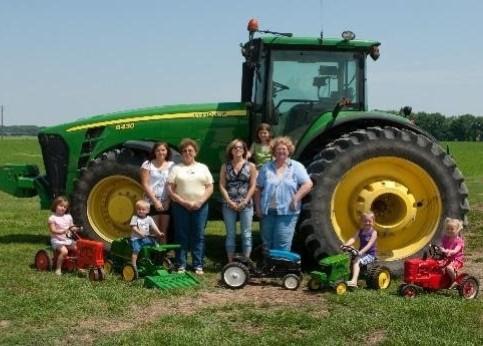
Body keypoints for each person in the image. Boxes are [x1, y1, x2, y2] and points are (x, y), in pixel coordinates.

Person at [254, 136, 313, 251]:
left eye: (284, 149)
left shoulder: (296, 167)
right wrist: (258, 207)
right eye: (278, 149)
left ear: (289, 151)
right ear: (274, 151)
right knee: (267, 243)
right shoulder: (266, 167)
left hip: (287, 212)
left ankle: (280, 268)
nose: (281, 151)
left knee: (282, 243)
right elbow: (258, 188)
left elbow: (308, 184)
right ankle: (268, 267)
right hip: (267, 212)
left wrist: (296, 198)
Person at [167, 138, 214, 275]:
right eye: (184, 151)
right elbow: (170, 189)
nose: (187, 153)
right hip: (180, 206)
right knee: (181, 235)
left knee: (198, 235)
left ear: (195, 152)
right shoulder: (176, 168)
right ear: (181, 153)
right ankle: (181, 264)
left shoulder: (203, 168)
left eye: (190, 150)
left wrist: (199, 202)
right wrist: (183, 202)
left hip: (200, 206)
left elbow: (210, 187)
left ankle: (197, 265)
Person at [219, 139, 257, 262]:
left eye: (240, 147)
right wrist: (229, 201)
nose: (237, 149)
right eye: (235, 147)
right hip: (229, 204)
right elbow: (221, 185)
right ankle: (230, 262)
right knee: (230, 234)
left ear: (244, 150)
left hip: (246, 204)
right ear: (231, 150)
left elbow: (253, 186)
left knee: (246, 234)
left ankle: (246, 262)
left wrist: (245, 201)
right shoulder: (225, 166)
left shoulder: (251, 166)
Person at [140, 142, 174, 243]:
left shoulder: (171, 165)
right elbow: (145, 183)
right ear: (154, 152)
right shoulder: (147, 165)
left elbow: (172, 184)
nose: (161, 152)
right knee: (153, 232)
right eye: (158, 150)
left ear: (167, 152)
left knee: (163, 232)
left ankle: (163, 256)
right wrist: (155, 201)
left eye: (163, 150)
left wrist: (168, 200)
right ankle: (152, 256)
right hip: (151, 202)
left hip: (165, 202)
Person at [342, 211, 378, 287]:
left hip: (370, 255)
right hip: (362, 253)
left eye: (369, 221)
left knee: (356, 261)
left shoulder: (373, 233)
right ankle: (347, 276)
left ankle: (354, 281)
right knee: (350, 255)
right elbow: (353, 239)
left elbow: (369, 244)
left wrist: (361, 252)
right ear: (361, 222)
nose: (367, 223)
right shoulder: (360, 231)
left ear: (373, 222)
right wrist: (346, 245)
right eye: (365, 221)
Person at [130, 199, 164, 271]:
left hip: (145, 237)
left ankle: (155, 260)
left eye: (143, 209)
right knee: (136, 250)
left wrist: (159, 233)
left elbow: (154, 226)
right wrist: (140, 233)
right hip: (137, 238)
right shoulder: (135, 218)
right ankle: (133, 264)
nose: (141, 211)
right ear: (136, 210)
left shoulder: (149, 218)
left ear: (147, 211)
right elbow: (133, 227)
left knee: (155, 243)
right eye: (139, 209)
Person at [48, 196, 77, 275]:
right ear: (55, 206)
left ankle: (76, 266)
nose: (63, 208)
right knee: (64, 252)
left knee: (78, 249)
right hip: (57, 240)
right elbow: (53, 230)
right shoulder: (52, 218)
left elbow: (72, 226)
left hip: (67, 239)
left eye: (65, 207)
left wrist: (75, 228)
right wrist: (62, 231)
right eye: (61, 206)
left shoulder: (68, 217)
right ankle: (58, 268)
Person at [440, 217, 464, 288]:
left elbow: (456, 250)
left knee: (449, 268)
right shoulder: (445, 238)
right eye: (448, 229)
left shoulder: (459, 241)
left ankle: (455, 280)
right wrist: (441, 249)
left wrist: (449, 251)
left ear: (457, 230)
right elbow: (441, 245)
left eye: (452, 229)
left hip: (456, 259)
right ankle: (442, 280)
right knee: (436, 265)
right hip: (447, 258)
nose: (449, 230)